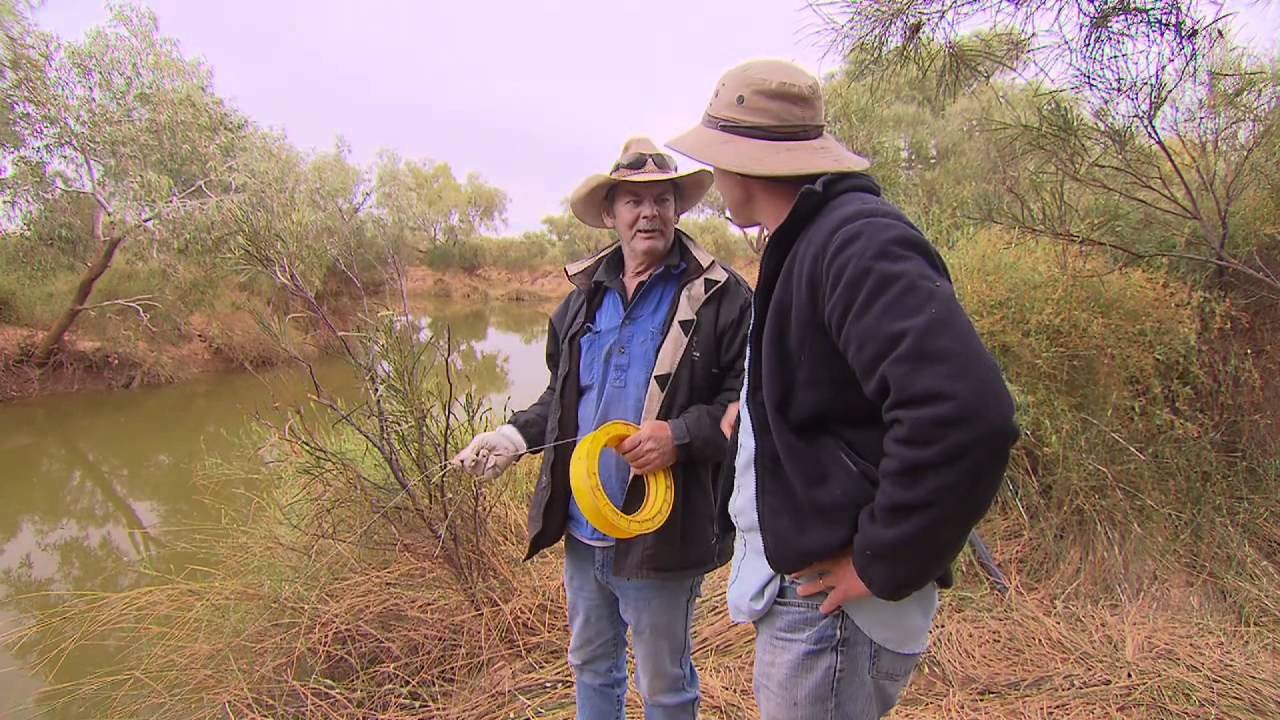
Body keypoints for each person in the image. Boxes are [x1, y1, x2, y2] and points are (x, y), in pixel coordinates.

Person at [666, 60, 1020, 719]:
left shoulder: (855, 241)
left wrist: (882, 558)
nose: (713, 178)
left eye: (717, 158)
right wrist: (765, 412)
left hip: (830, 607)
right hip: (809, 597)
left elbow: (969, 413)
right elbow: (845, 387)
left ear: (744, 161)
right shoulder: (805, 240)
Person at [452, 137, 752, 720]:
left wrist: (679, 438)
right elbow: (560, 399)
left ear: (678, 209)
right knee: (591, 663)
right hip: (582, 531)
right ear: (611, 214)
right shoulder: (580, 302)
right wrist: (513, 439)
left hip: (664, 532)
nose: (649, 213)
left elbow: (748, 404)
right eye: (634, 201)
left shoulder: (722, 297)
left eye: (662, 199)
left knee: (664, 683)